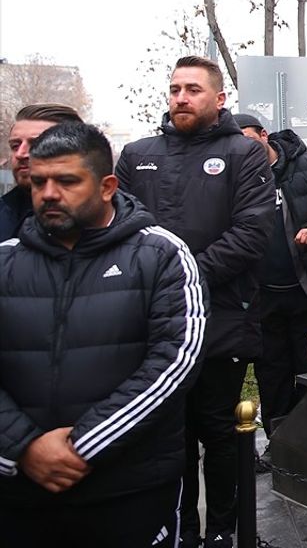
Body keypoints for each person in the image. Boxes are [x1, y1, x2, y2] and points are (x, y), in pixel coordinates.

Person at [0, 121, 206, 547]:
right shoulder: (6, 262)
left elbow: (174, 361)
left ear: (107, 185)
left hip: (129, 488)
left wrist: (84, 445)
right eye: (39, 182)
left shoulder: (161, 254)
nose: (49, 194)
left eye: (67, 181)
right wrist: (23, 447)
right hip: (21, 492)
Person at [116, 55, 275, 548]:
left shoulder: (243, 154)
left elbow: (252, 233)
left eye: (193, 89)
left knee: (222, 433)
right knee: (169, 436)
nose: (181, 97)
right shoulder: (137, 154)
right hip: (154, 324)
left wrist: (182, 277)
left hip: (222, 319)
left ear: (219, 99)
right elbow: (120, 228)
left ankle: (224, 530)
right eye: (175, 89)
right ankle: (181, 532)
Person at [235, 114, 307, 436]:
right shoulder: (237, 180)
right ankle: (280, 444)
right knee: (271, 375)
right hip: (263, 299)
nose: (242, 148)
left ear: (264, 135)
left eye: (247, 139)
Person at [1, 103, 82, 240]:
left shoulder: (108, 222)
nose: (21, 154)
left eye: (36, 144)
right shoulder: (5, 213)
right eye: (15, 145)